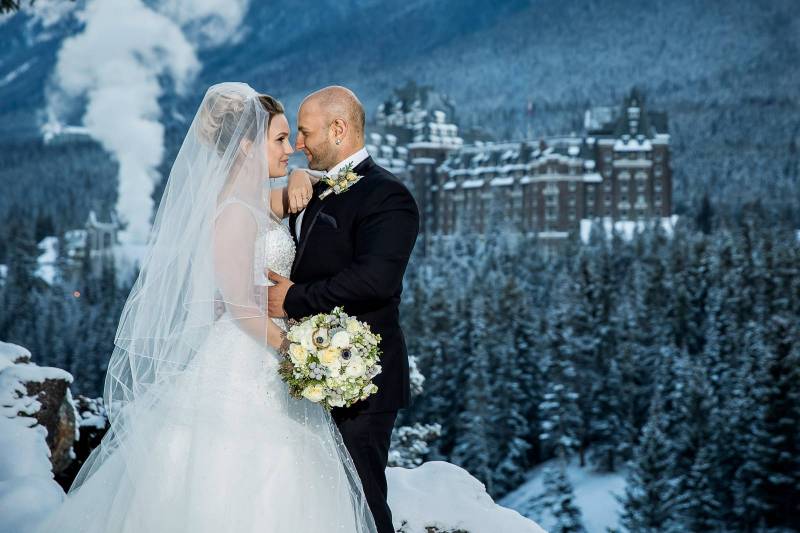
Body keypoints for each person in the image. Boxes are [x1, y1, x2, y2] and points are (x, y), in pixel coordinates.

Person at [34, 82, 378, 533]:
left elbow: (318, 183)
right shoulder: (234, 211)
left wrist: (299, 177)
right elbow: (238, 304)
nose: (290, 149)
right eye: (279, 140)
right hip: (246, 352)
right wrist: (296, 349)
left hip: (270, 351)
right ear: (247, 146)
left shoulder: (258, 201)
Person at [267, 85, 420, 533]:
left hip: (363, 380)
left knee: (363, 504)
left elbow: (376, 280)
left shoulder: (388, 196)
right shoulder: (317, 185)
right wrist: (299, 176)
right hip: (305, 371)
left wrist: (293, 298)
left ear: (338, 130)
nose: (297, 144)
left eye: (304, 132)